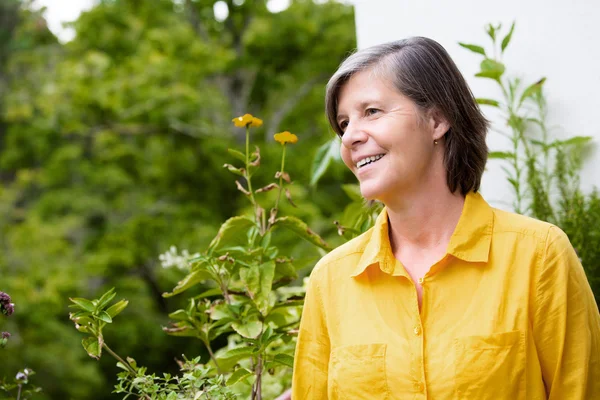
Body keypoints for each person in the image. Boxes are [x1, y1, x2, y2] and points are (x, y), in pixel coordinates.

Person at [291, 37, 600, 399]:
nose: (350, 138)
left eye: (372, 111)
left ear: (437, 119)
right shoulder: (331, 280)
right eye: (344, 123)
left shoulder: (539, 256)